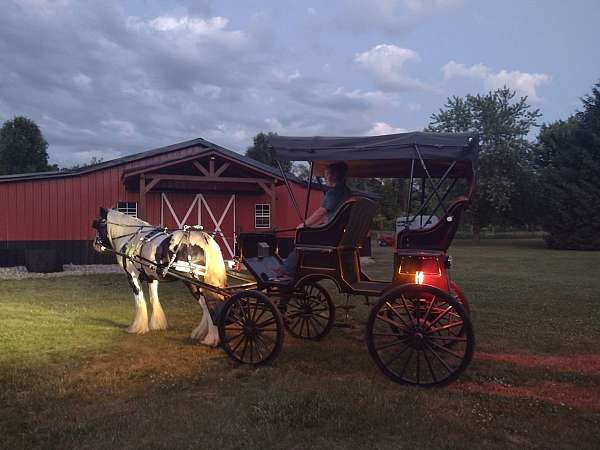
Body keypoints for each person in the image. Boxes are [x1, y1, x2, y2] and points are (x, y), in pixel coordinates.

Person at [276, 162, 351, 278]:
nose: (325, 177)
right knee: (307, 233)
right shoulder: (347, 192)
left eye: (326, 174)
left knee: (302, 237)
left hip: (331, 235)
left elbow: (321, 212)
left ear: (333, 176)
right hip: (338, 232)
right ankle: (291, 267)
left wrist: (304, 224)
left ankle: (287, 270)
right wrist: (312, 226)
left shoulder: (334, 192)